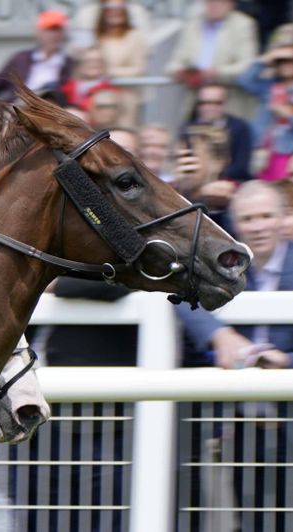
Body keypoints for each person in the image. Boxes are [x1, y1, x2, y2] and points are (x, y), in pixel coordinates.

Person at [177, 181, 293, 369]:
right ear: (235, 224)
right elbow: (181, 293)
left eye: (266, 216)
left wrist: (287, 361)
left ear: (283, 218)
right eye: (247, 219)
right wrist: (219, 335)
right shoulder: (222, 263)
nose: (257, 227)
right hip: (230, 388)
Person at [0, 11, 74, 117]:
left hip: (52, 113)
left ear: (63, 33)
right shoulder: (20, 59)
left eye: (57, 30)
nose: (53, 35)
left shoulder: (69, 64)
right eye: (49, 30)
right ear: (38, 32)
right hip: (18, 110)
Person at [165, 0, 258, 93]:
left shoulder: (243, 24)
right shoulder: (193, 24)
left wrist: (216, 72)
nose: (214, 6)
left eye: (219, 2)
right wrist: (179, 72)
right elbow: (175, 62)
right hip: (195, 95)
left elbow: (247, 65)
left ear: (231, 4)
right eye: (210, 2)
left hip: (228, 95)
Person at [238, 39, 293, 181]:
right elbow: (244, 80)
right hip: (263, 149)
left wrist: (287, 114)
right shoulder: (269, 86)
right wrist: (266, 58)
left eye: (290, 60)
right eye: (281, 61)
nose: (286, 64)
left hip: (287, 151)